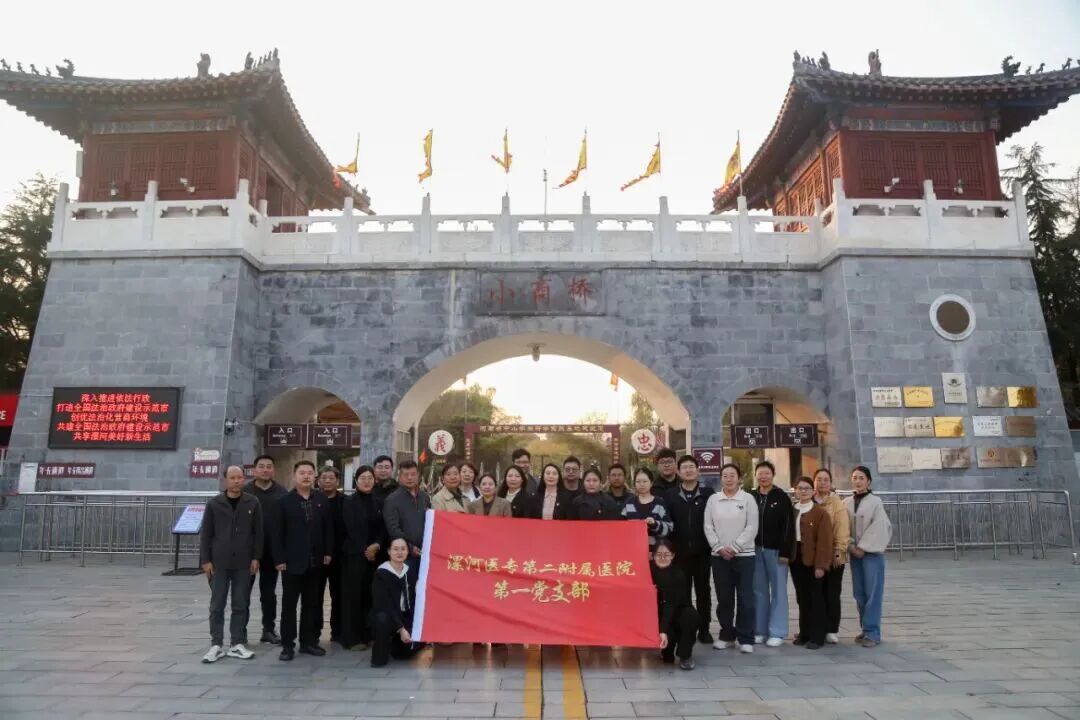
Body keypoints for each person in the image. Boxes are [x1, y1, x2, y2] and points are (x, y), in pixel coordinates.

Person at [200, 465, 263, 663]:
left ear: (244, 479)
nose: (236, 481)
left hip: (243, 561)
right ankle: (216, 644)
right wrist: (205, 560)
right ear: (225, 480)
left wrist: (256, 557)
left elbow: (258, 533)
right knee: (217, 604)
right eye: (232, 477)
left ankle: (237, 643)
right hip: (219, 562)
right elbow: (206, 533)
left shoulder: (252, 502)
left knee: (240, 603)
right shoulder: (214, 503)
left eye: (240, 477)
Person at [273, 460, 334, 661]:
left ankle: (308, 642)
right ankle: (287, 645)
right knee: (289, 606)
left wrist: (328, 552)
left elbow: (328, 528)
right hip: (292, 563)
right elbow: (277, 534)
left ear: (314, 476)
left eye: (309, 472)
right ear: (294, 476)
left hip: (315, 562)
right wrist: (279, 559)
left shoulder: (321, 499)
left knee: (312, 604)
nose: (306, 476)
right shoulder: (284, 502)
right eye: (302, 472)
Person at [703, 462, 758, 654]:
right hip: (719, 557)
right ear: (721, 479)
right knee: (724, 598)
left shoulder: (748, 499)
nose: (728, 479)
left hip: (744, 556)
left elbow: (752, 526)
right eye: (725, 475)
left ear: (739, 478)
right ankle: (726, 635)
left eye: (732, 475)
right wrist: (718, 548)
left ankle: (746, 637)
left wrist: (735, 547)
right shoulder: (713, 499)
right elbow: (708, 526)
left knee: (745, 598)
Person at [665, 454, 715, 643]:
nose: (688, 470)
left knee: (704, 592)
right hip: (679, 554)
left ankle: (704, 629)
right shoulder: (670, 495)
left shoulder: (708, 494)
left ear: (698, 471)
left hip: (703, 552)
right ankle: (685, 630)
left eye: (691, 467)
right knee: (682, 593)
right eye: (684, 467)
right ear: (679, 472)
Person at [845, 465, 892, 648]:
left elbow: (880, 526)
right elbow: (843, 527)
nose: (857, 481)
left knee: (873, 593)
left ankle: (873, 632)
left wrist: (863, 547)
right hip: (854, 554)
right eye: (855, 478)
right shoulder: (846, 502)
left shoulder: (876, 502)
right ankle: (865, 629)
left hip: (872, 554)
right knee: (859, 593)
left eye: (861, 478)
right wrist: (851, 545)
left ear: (869, 481)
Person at [340, 465, 385, 651]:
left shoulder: (378, 501)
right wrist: (365, 549)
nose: (367, 481)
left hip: (374, 556)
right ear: (356, 481)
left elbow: (382, 528)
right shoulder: (349, 502)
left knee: (369, 595)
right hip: (354, 556)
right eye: (363, 478)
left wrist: (377, 545)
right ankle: (351, 638)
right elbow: (349, 528)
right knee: (353, 596)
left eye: (370, 478)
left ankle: (367, 634)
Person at [750, 460, 794, 647]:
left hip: (776, 552)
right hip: (755, 551)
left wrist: (786, 551)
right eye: (760, 473)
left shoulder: (781, 497)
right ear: (756, 475)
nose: (763, 476)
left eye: (767, 473)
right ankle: (759, 630)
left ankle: (777, 631)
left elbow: (788, 526)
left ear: (773, 475)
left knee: (779, 591)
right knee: (758, 591)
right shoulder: (751, 496)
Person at [245, 454, 287, 645]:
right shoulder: (245, 492)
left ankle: (268, 630)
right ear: (255, 470)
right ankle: (240, 630)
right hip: (248, 552)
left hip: (271, 551)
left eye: (269, 466)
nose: (265, 470)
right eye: (261, 466)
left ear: (273, 470)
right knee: (243, 593)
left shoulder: (282, 493)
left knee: (268, 593)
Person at [790, 476, 834, 650]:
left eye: (807, 488)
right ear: (795, 490)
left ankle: (817, 636)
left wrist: (821, 565)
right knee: (802, 597)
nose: (803, 491)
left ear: (813, 491)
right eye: (800, 488)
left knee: (816, 598)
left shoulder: (820, 513)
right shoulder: (792, 510)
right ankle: (804, 633)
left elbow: (825, 541)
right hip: (796, 559)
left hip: (813, 559)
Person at [371, 538, 423, 667]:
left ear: (407, 552)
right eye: (395, 549)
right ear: (389, 551)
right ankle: (380, 655)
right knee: (382, 618)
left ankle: (395, 645)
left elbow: (413, 599)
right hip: (388, 616)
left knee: (404, 653)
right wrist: (401, 628)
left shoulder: (409, 571)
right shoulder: (381, 573)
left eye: (403, 549)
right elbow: (383, 604)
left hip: (405, 616)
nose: (399, 552)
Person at [813, 468, 850, 645]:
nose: (822, 483)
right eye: (819, 479)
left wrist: (839, 550)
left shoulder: (837, 503)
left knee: (832, 593)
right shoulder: (809, 500)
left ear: (831, 483)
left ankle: (831, 629)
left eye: (826, 480)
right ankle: (815, 627)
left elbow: (842, 528)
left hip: (833, 555)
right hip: (813, 557)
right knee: (815, 594)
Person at [651, 538, 699, 671]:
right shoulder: (648, 571)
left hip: (676, 613)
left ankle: (685, 655)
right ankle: (667, 650)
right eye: (658, 554)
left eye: (666, 554)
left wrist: (663, 630)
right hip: (656, 615)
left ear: (672, 556)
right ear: (653, 556)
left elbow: (670, 605)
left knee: (691, 616)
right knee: (667, 659)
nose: (662, 558)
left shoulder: (678, 575)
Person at [382, 460, 430, 588]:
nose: (410, 478)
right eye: (406, 475)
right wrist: (409, 547)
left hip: (425, 554)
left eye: (413, 474)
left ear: (418, 475)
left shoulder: (425, 497)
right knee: (407, 590)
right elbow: (393, 529)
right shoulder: (392, 500)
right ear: (399, 477)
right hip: (405, 555)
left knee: (423, 589)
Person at [316, 466, 345, 645]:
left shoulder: (345, 501)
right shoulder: (312, 500)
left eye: (331, 478)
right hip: (317, 557)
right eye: (324, 477)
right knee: (315, 596)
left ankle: (338, 631)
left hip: (340, 557)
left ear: (337, 481)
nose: (327, 481)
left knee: (339, 596)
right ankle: (314, 632)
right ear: (318, 480)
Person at [623, 467, 673, 548]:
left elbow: (669, 528)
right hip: (632, 548)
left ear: (651, 483)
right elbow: (621, 527)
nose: (641, 484)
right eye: (638, 481)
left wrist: (654, 524)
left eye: (645, 481)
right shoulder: (629, 503)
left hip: (654, 550)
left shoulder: (659, 503)